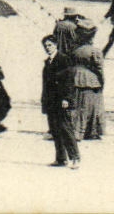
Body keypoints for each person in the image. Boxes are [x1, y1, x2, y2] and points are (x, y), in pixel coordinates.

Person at [40, 35, 80, 169]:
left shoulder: (63, 59)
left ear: (56, 45)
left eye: (50, 45)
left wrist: (66, 98)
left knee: (66, 129)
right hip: (51, 101)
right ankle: (61, 158)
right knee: (55, 130)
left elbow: (68, 81)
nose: (47, 48)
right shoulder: (48, 61)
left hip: (61, 100)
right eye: (45, 46)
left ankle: (75, 158)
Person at [70, 21, 106, 140]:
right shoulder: (94, 51)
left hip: (75, 78)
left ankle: (77, 131)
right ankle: (90, 132)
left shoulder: (74, 50)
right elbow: (99, 68)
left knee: (78, 107)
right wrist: (102, 81)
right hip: (91, 80)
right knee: (91, 107)